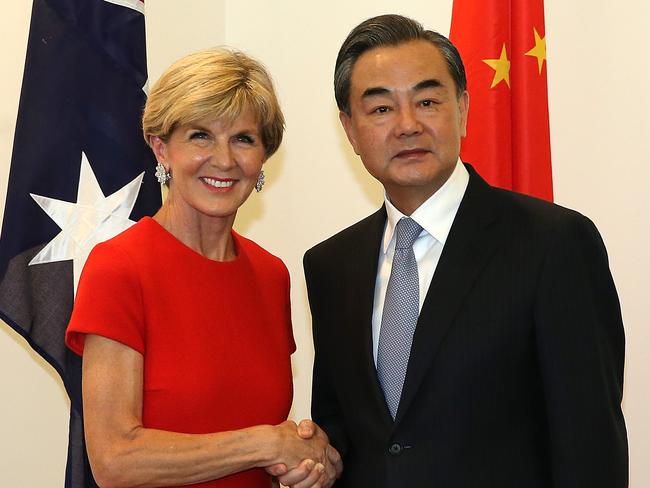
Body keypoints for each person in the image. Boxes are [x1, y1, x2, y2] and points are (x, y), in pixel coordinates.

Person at [302, 14, 628, 487]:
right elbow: (345, 432)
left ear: (464, 108)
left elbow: (589, 444)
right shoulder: (331, 266)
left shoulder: (553, 244)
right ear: (349, 130)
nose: (408, 125)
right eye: (380, 110)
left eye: (428, 101)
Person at [65, 47, 340, 488]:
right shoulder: (119, 268)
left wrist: (313, 463)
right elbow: (116, 460)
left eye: (244, 139)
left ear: (263, 157)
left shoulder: (271, 275)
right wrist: (266, 444)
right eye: (200, 136)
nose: (225, 160)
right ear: (161, 148)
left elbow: (268, 448)